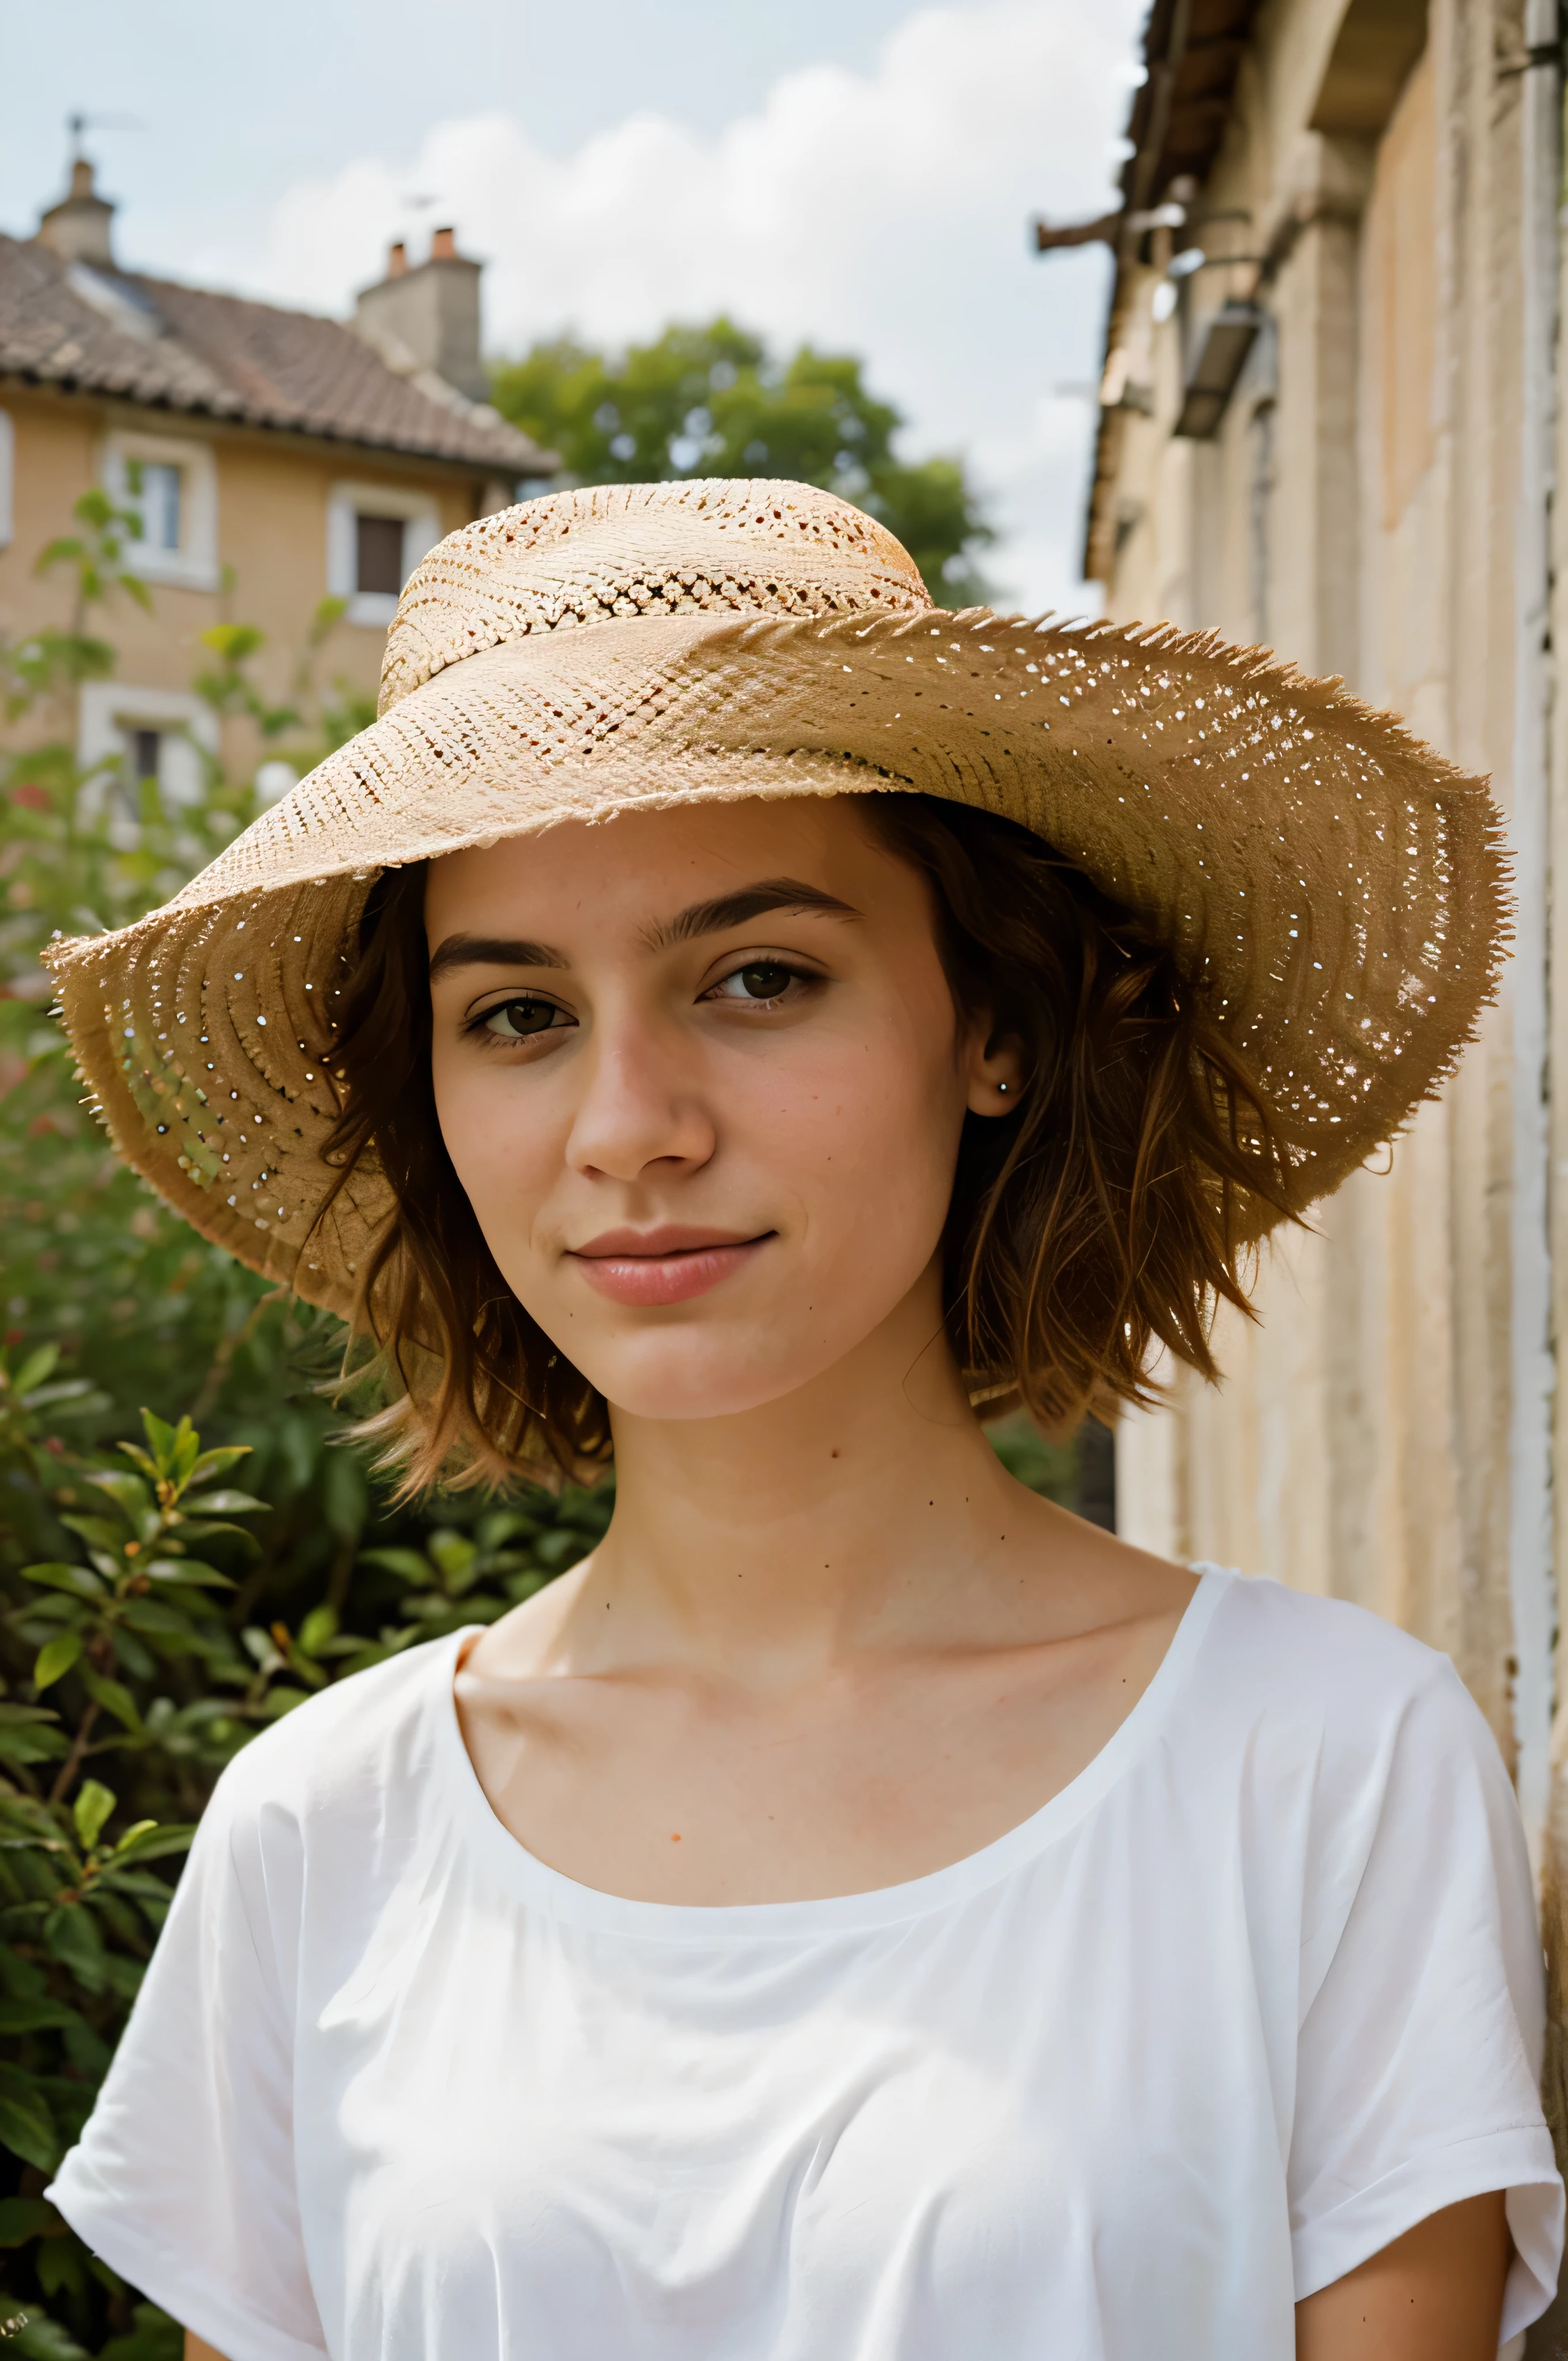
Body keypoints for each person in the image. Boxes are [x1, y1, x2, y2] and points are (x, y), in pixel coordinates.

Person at [43, 482, 1561, 2358]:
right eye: (515, 1015)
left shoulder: (1329, 1769)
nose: (630, 1124)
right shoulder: (323, 1830)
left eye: (757, 978)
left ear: (990, 1022)